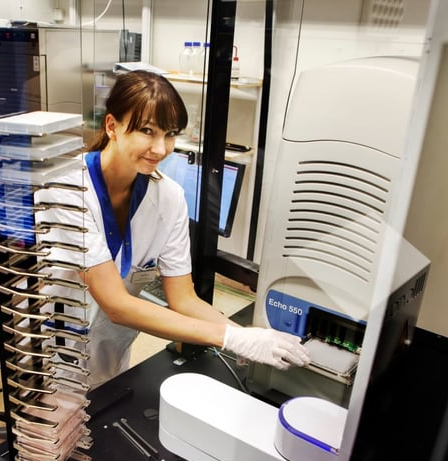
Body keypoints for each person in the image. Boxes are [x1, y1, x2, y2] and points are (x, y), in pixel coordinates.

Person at [35, 70, 309, 390]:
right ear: (112, 126)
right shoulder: (66, 189)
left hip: (111, 360)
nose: (160, 148)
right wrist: (229, 338)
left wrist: (247, 337)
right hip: (51, 359)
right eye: (147, 131)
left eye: (170, 134)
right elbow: (115, 303)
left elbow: (184, 298)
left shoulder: (170, 198)